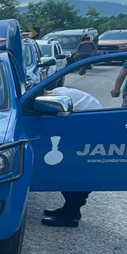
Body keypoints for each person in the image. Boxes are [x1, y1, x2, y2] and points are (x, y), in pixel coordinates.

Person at [37, 85, 103, 228]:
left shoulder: (55, 100)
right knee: (68, 170)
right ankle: (69, 209)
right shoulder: (59, 92)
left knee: (75, 172)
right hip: (85, 125)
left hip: (89, 128)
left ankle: (70, 215)